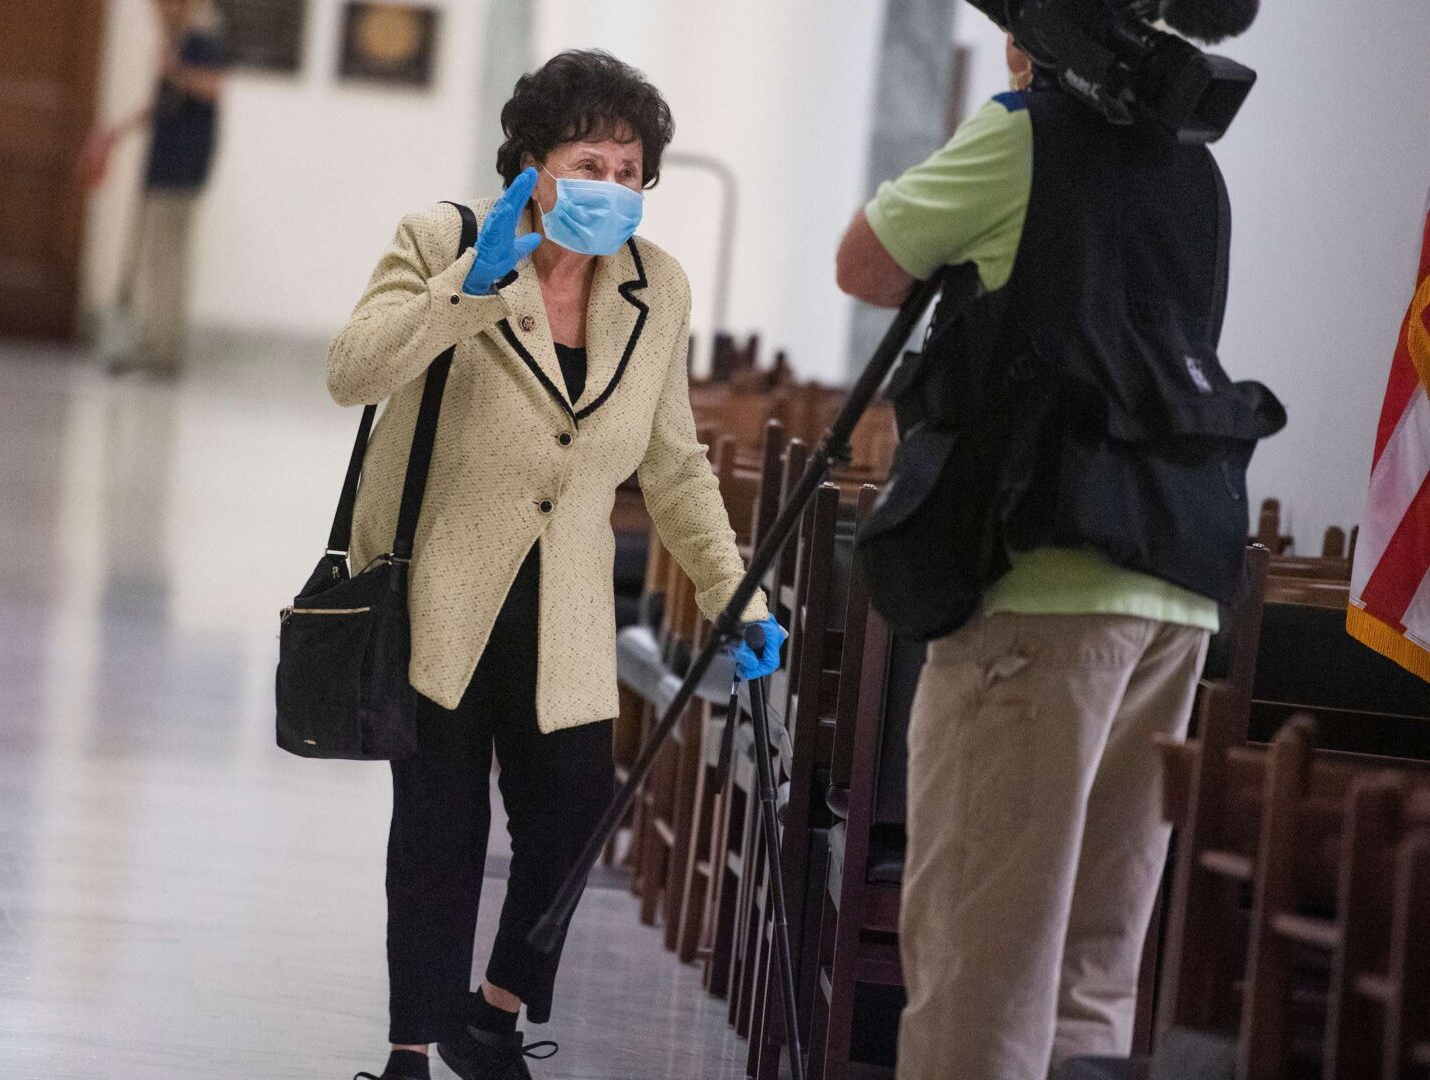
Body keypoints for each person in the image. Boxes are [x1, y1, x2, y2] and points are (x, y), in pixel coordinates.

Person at [328, 50, 787, 1080]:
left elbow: (672, 461)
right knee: (439, 834)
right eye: (591, 163)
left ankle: (490, 1016)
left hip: (564, 602)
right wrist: (474, 283)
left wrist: (732, 591)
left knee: (574, 818)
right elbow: (353, 371)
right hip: (442, 592)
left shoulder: (653, 286)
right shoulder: (441, 239)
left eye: (631, 172)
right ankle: (408, 1052)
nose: (611, 189)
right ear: (532, 162)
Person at [837, 28, 1280, 1080]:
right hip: (1174, 583)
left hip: (1046, 584)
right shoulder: (1196, 167)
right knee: (1091, 961)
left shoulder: (1023, 136)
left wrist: (1010, 108)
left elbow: (866, 264)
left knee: (981, 957)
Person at [84, 0, 228, 378]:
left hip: (182, 168)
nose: (158, 14)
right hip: (161, 165)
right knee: (152, 258)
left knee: (168, 259)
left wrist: (175, 69)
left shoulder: (200, 42)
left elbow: (211, 88)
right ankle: (150, 341)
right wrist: (119, 131)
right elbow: (161, 104)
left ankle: (165, 350)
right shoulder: (176, 44)